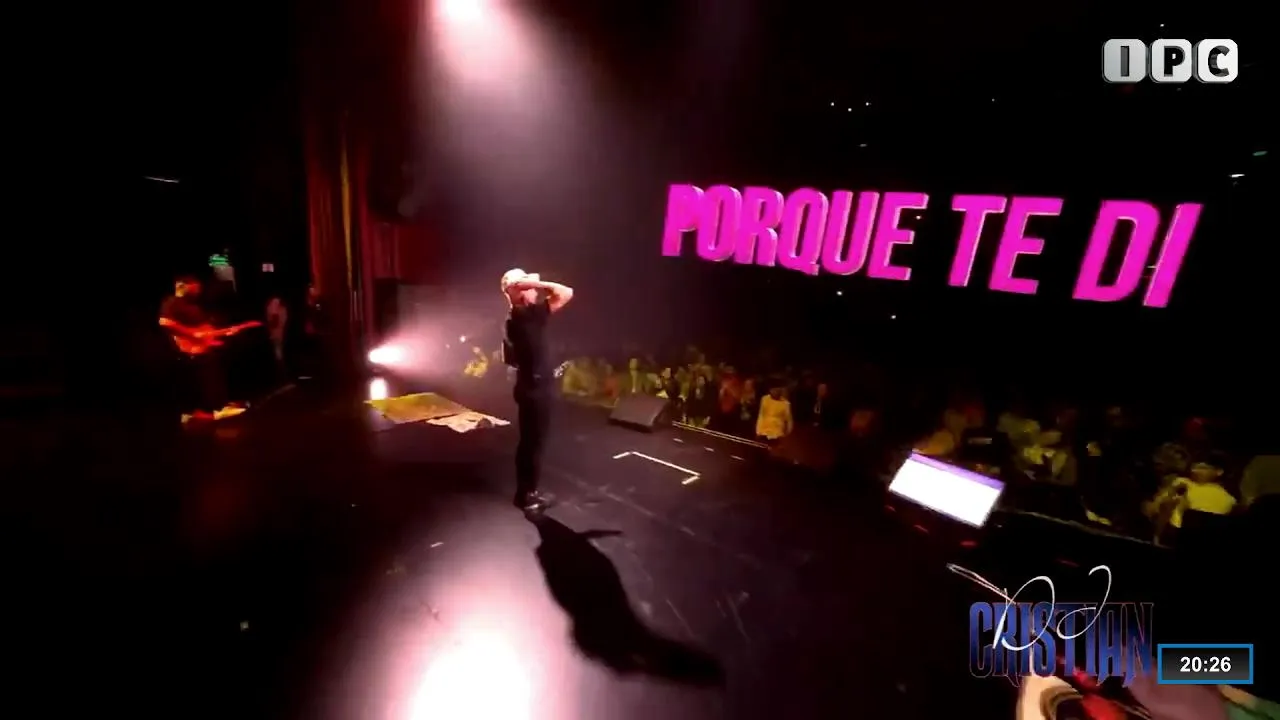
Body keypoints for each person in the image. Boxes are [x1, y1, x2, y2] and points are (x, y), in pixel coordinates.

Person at [501, 268, 574, 513]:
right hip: (535, 389)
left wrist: (528, 284)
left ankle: (525, 491)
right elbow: (566, 292)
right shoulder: (525, 316)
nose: (535, 291)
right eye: (530, 288)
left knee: (529, 443)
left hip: (530, 386)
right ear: (521, 292)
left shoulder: (520, 317)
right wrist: (534, 283)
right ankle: (528, 495)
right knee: (534, 444)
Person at [158, 276, 232, 422]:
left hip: (201, 348)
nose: (198, 289)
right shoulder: (172, 302)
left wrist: (214, 337)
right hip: (190, 352)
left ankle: (215, 407)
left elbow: (202, 329)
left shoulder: (193, 305)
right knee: (203, 377)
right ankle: (201, 411)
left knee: (213, 374)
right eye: (194, 285)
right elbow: (165, 322)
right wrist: (191, 334)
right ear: (182, 285)